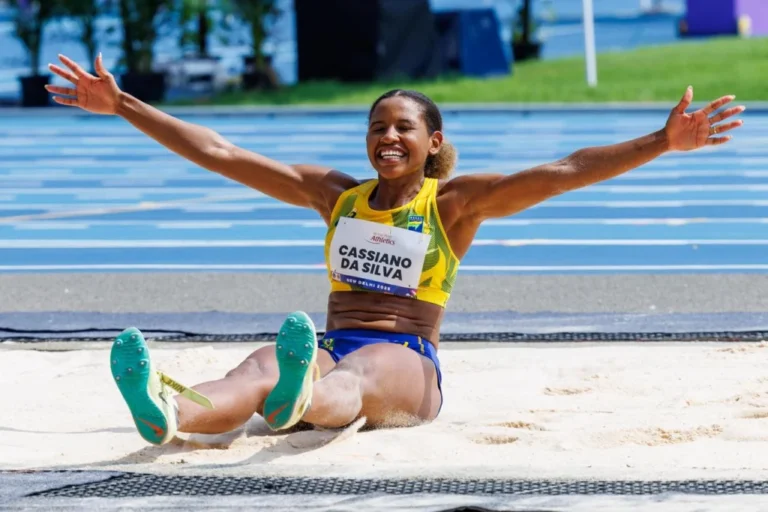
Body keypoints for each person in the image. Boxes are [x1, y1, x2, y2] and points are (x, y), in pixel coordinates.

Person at [46, 54, 744, 445]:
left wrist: (661, 142)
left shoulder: (453, 204)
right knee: (257, 366)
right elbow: (222, 153)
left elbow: (562, 171)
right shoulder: (337, 196)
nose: (388, 136)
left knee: (357, 373)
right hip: (328, 341)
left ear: (432, 143)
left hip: (408, 360)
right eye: (377, 126)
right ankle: (171, 415)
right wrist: (125, 104)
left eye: (403, 127)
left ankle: (301, 397)